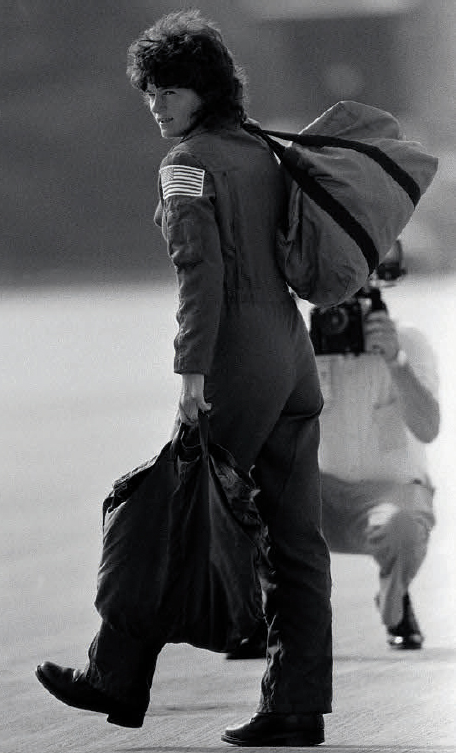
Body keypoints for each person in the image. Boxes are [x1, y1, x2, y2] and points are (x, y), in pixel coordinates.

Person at [35, 10, 332, 747]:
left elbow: (203, 273)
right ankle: (296, 706)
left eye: (172, 90)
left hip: (236, 355)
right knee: (297, 539)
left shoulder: (187, 163)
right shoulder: (261, 150)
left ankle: (114, 672)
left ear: (205, 91)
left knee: (163, 514)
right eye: (152, 92)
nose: (158, 105)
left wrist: (191, 371)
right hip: (291, 358)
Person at [316, 278, 439, 650]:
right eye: (332, 308)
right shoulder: (300, 344)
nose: (343, 319)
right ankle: (265, 611)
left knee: (402, 528)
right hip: (317, 496)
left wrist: (396, 361)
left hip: (390, 499)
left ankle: (396, 593)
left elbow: (428, 428)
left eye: (354, 307)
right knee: (248, 497)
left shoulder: (408, 340)